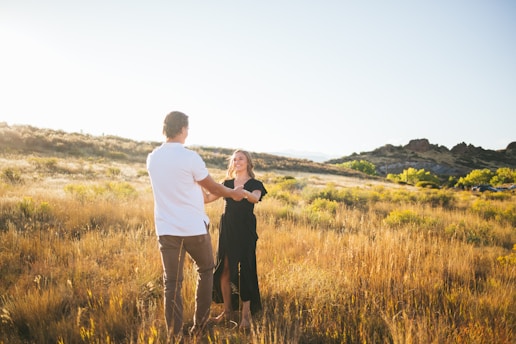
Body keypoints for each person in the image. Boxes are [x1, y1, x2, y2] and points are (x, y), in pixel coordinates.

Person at [146, 111, 246, 340]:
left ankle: (174, 335)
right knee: (206, 270)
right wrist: (233, 193)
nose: (187, 132)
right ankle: (199, 327)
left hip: (166, 230)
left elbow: (191, 190)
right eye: (187, 128)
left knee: (171, 282)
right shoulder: (190, 158)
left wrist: (219, 192)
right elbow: (213, 187)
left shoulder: (153, 157)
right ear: (182, 129)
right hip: (193, 229)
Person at [204, 149, 267, 330]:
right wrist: (194, 185)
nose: (237, 161)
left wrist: (242, 193)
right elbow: (208, 198)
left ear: (248, 162)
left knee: (246, 268)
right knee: (224, 268)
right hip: (228, 229)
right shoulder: (227, 183)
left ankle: (246, 317)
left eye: (241, 158)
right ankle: (227, 311)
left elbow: (255, 198)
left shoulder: (255, 183)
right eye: (235, 159)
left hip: (245, 230)